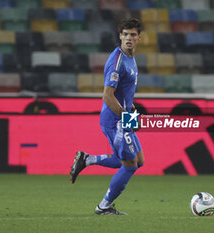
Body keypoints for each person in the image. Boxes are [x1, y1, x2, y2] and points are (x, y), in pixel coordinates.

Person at [70, 18, 144, 215]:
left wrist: (132, 111)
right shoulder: (117, 60)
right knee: (129, 165)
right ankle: (104, 206)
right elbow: (107, 95)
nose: (129, 38)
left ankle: (87, 159)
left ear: (139, 38)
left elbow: (125, 93)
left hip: (123, 117)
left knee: (138, 160)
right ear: (120, 36)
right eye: (125, 34)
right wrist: (126, 117)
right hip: (115, 121)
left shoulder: (131, 58)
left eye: (133, 34)